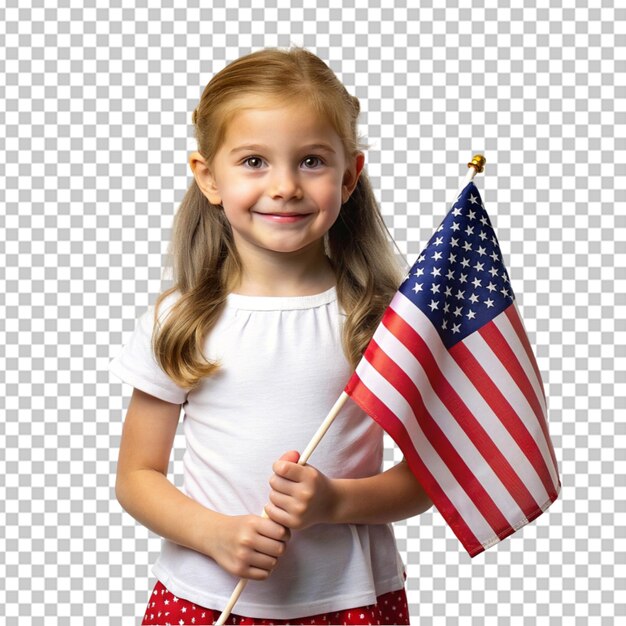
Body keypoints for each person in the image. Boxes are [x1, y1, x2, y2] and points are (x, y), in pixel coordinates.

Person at [109, 46, 433, 626]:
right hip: (206, 596)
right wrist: (213, 534)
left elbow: (428, 477)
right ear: (208, 177)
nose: (284, 186)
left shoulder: (384, 320)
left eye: (311, 161)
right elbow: (137, 476)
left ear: (350, 174)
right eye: (254, 161)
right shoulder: (181, 319)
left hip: (350, 598)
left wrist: (337, 502)